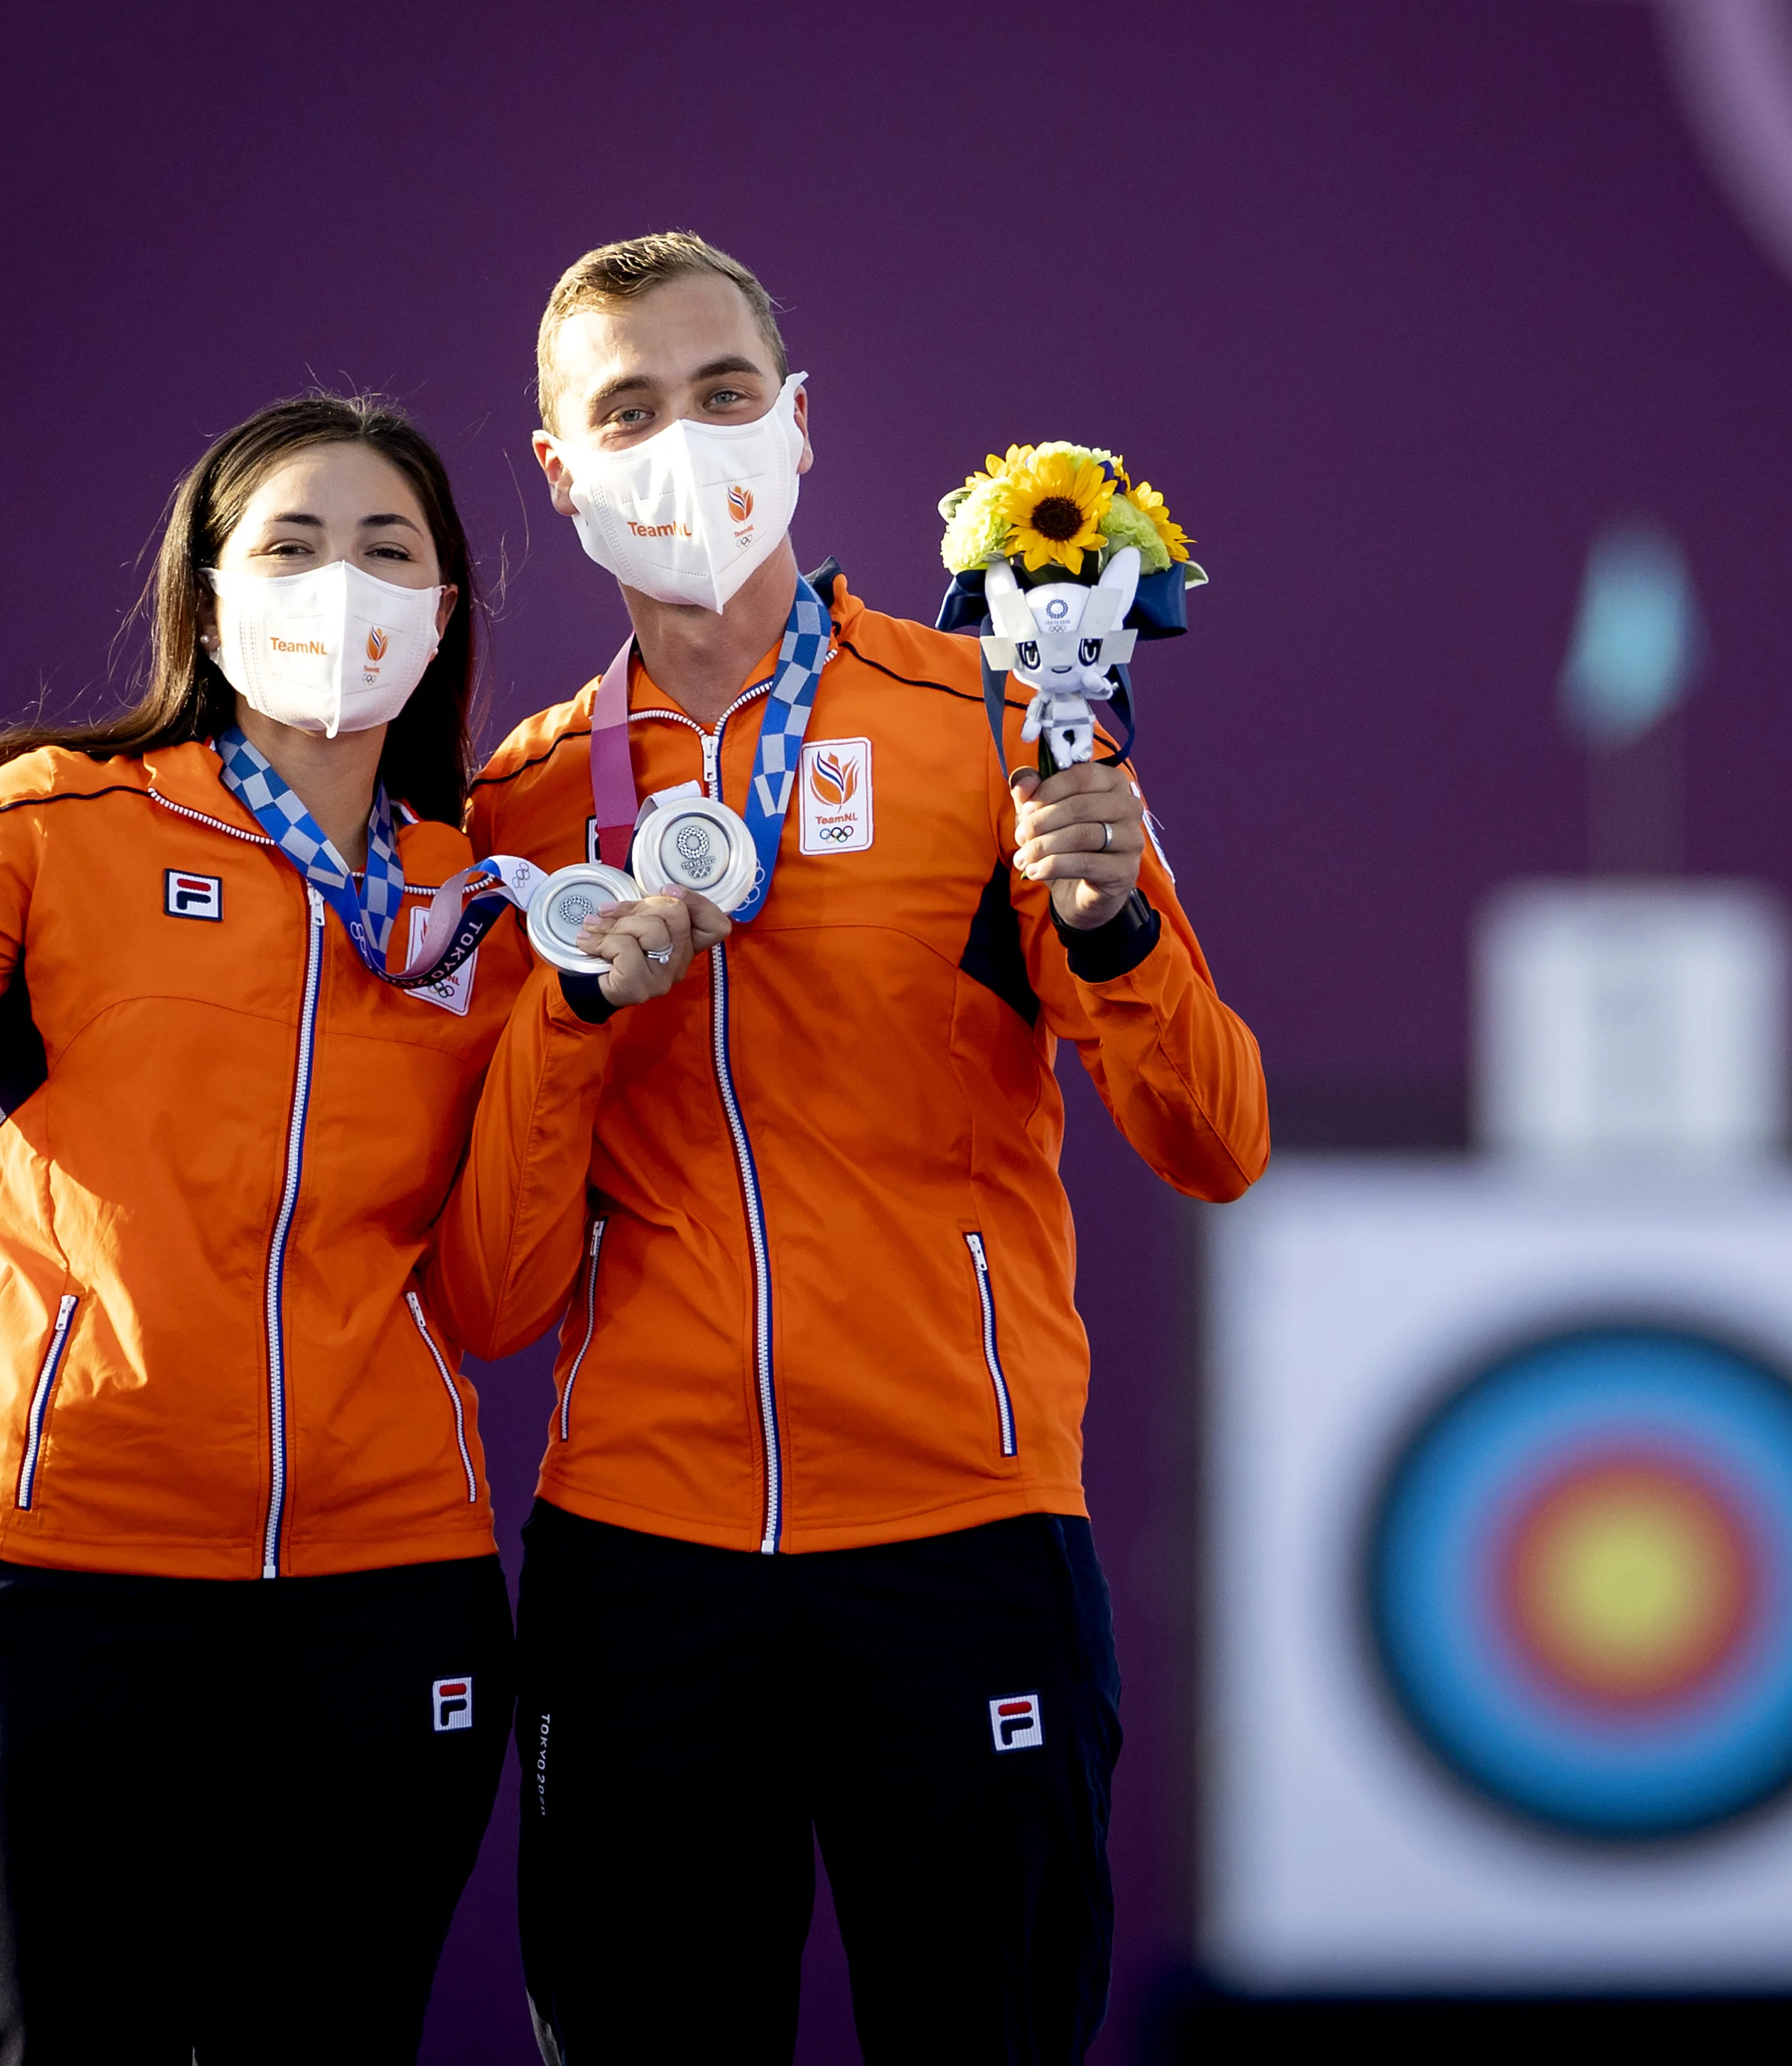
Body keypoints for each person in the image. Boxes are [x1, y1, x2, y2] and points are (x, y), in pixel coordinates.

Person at [0, 392, 717, 2063]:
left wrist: (570, 1018)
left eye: (387, 550)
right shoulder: (54, 818)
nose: (342, 583)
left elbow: (494, 1301)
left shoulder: (482, 905)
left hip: (382, 1593)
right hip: (53, 1575)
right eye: (292, 543)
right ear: (207, 593)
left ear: (445, 612)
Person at [446, 233, 1270, 2063]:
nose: (686, 441)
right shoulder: (520, 803)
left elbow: (1217, 1140)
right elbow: (492, 1293)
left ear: (801, 423)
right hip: (642, 1556)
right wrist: (575, 1017)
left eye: (724, 392)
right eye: (629, 411)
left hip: (963, 1532)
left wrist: (1118, 929)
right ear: (560, 471)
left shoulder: (994, 727)